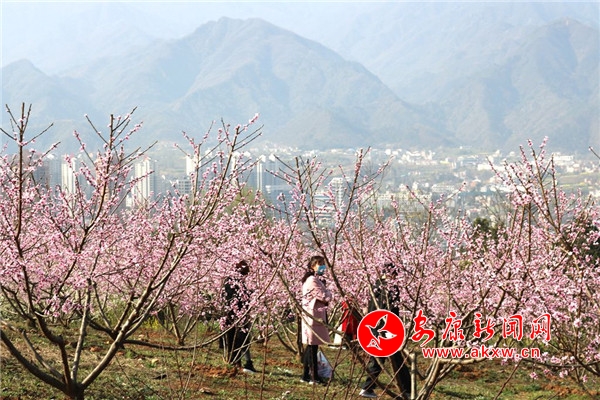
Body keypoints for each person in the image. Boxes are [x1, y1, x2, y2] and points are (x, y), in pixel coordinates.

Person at [359, 262, 412, 399]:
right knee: (382, 358)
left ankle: (407, 388)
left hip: (375, 324)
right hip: (386, 328)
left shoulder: (375, 285)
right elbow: (392, 309)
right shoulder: (392, 287)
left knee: (394, 358)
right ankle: (367, 387)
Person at [300, 255, 332, 384]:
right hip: (313, 318)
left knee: (311, 346)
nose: (323, 266)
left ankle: (305, 375)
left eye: (323, 263)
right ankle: (314, 377)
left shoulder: (315, 279)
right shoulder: (312, 280)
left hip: (314, 317)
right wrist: (329, 292)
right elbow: (324, 297)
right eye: (320, 264)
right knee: (312, 347)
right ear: (313, 266)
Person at [222, 260, 257, 373]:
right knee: (239, 340)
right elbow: (236, 298)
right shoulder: (232, 282)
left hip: (235, 315)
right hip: (235, 315)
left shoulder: (232, 281)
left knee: (239, 340)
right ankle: (240, 363)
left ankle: (241, 362)